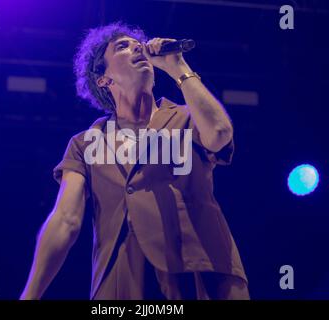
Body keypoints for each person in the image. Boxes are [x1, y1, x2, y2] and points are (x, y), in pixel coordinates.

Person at [20, 22, 249, 300]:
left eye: (137, 44)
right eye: (122, 46)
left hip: (201, 270)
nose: (137, 47)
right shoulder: (85, 143)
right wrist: (30, 296)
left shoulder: (187, 117)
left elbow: (220, 134)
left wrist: (178, 68)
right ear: (103, 79)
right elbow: (65, 219)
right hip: (121, 281)